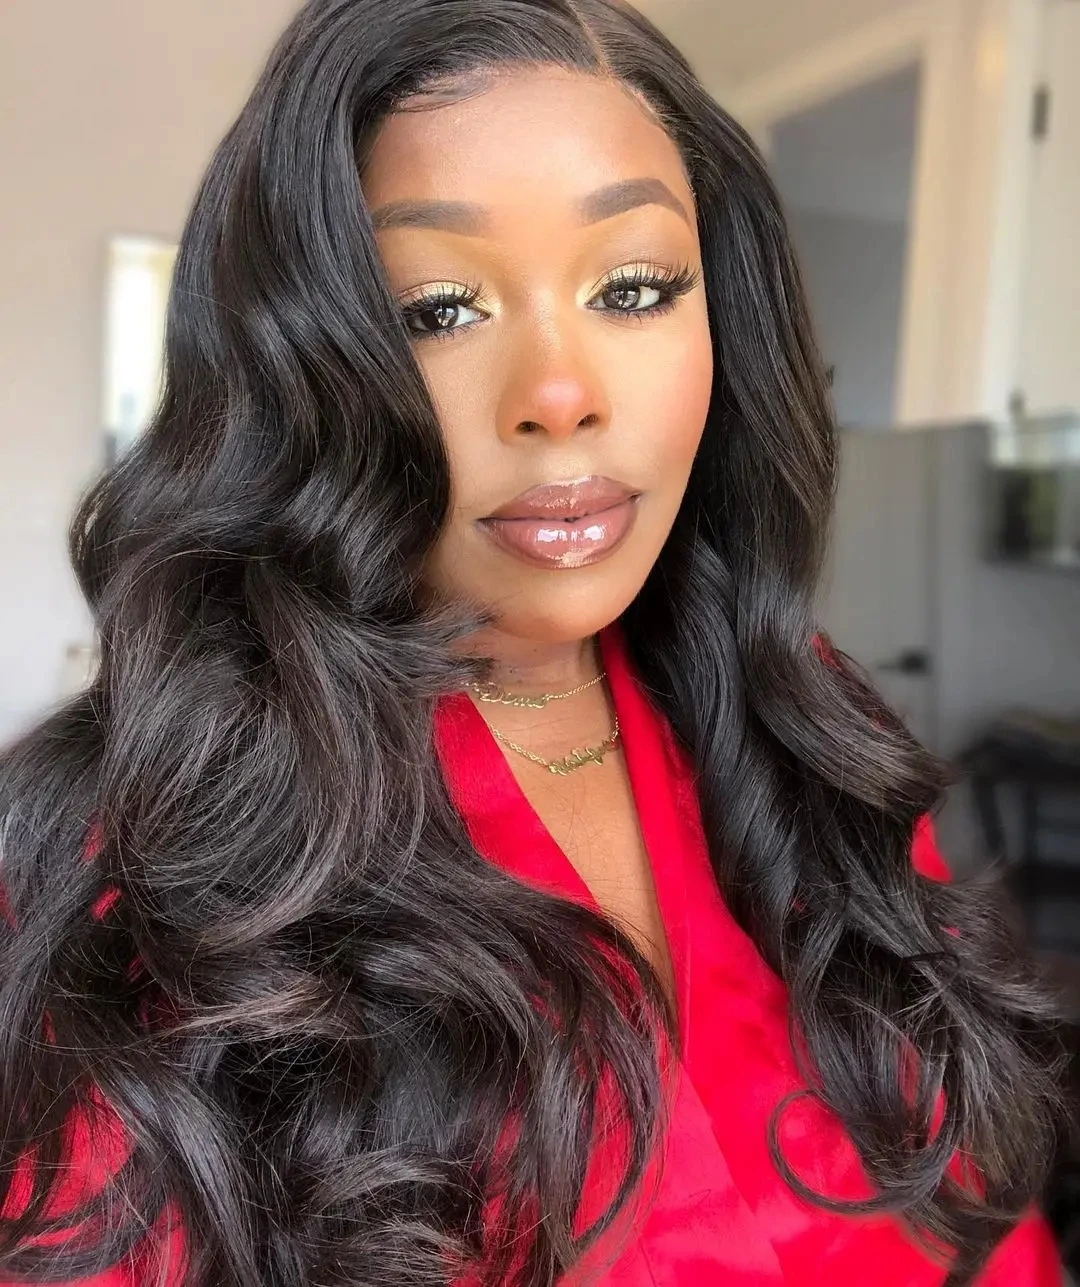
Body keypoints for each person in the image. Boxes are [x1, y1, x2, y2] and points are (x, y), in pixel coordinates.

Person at [0, 0, 1072, 1283]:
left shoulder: (809, 734)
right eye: (437, 309)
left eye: (634, 289)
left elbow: (978, 1203)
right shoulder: (150, 853)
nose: (560, 396)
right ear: (298, 366)